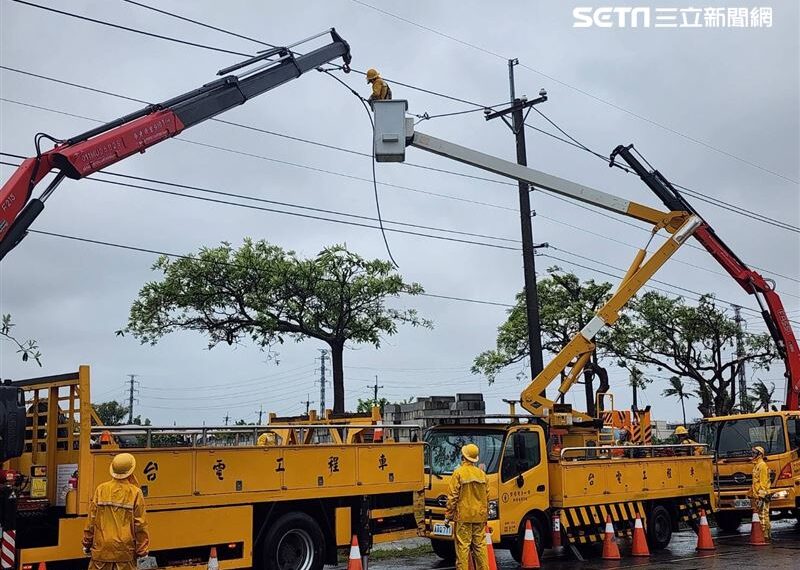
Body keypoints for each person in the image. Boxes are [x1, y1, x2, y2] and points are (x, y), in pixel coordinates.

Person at [83, 453, 150, 570]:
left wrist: (87, 544)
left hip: (101, 551)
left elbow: (91, 522)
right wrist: (142, 551)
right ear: (131, 470)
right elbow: (140, 525)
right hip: (125, 553)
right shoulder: (135, 493)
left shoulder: (101, 489)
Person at [444, 443, 488, 570]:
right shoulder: (482, 475)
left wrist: (448, 516)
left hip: (463, 517)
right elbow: (487, 497)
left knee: (463, 547)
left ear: (463, 456)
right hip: (479, 517)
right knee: (480, 547)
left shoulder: (458, 473)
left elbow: (452, 497)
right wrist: (484, 515)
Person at [751, 445, 771, 541]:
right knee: (760, 514)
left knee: (763, 515)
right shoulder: (756, 465)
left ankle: (765, 535)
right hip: (757, 495)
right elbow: (755, 482)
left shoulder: (762, 465)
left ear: (760, 454)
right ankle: (765, 533)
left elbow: (763, 482)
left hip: (762, 495)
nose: (752, 455)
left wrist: (761, 495)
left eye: (754, 453)